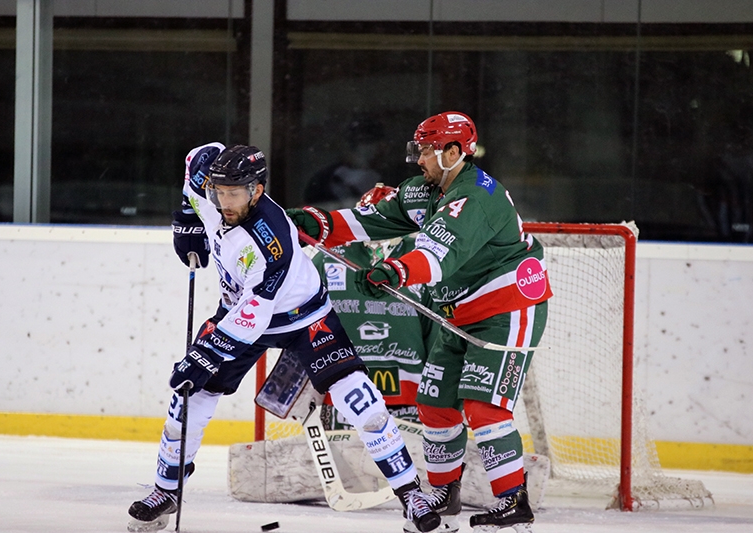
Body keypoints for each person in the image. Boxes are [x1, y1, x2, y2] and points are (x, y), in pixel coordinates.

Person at [127, 143, 441, 533]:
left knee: (362, 400)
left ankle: (410, 494)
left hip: (303, 318)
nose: (225, 201)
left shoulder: (269, 237)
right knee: (189, 397)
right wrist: (189, 216)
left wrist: (207, 352)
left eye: (235, 193)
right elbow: (199, 155)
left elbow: (253, 317)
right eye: (218, 192)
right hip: (238, 307)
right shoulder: (208, 185)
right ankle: (166, 490)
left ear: (257, 190)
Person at [288, 112, 552, 533]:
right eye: (419, 149)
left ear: (454, 152)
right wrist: (316, 223)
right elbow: (368, 221)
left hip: (506, 307)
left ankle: (512, 503)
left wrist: (394, 271)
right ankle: (444, 493)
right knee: (435, 401)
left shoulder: (477, 196)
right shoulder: (424, 190)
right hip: (456, 312)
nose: (420, 159)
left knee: (484, 406)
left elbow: (436, 256)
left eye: (428, 150)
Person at [310, 185, 438, 430]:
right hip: (343, 393)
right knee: (345, 468)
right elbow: (304, 321)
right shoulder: (328, 259)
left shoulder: (421, 259)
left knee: (412, 467)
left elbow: (438, 335)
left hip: (412, 395)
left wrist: (441, 393)